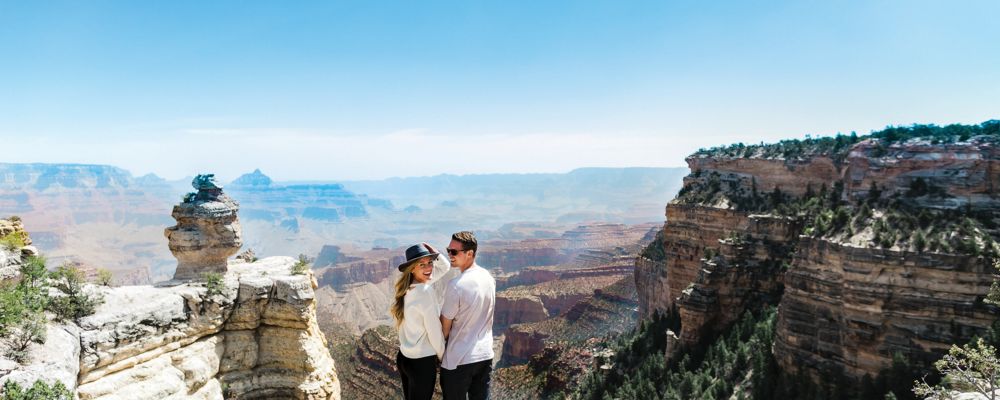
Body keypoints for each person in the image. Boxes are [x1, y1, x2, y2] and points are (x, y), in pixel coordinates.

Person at [392, 242, 456, 400]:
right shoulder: (425, 291)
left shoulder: (408, 287)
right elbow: (434, 331)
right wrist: (443, 357)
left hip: (404, 358)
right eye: (422, 264)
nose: (429, 268)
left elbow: (443, 267)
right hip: (422, 363)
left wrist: (435, 255)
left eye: (430, 262)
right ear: (412, 268)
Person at [439, 231, 496, 400]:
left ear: (470, 254)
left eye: (454, 252)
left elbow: (445, 327)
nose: (450, 255)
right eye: (448, 250)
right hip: (485, 356)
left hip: (459, 360)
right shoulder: (489, 277)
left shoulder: (456, 285)